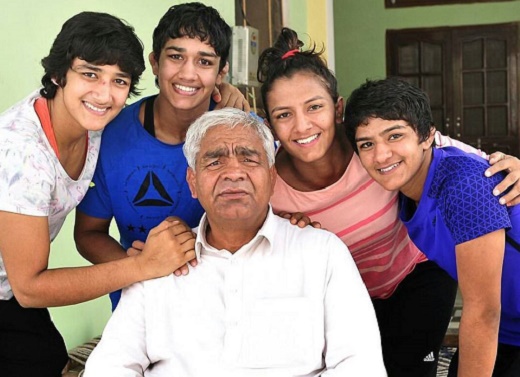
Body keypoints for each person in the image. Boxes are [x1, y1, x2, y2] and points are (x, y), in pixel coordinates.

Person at [257, 27, 520, 377]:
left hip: (419, 278)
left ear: (337, 109)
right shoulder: (268, 183)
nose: (302, 125)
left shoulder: (421, 161)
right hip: (349, 294)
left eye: (314, 107)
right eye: (284, 114)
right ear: (269, 123)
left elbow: (479, 168)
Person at [83, 108, 387, 376]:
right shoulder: (158, 263)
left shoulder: (322, 253)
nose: (233, 172)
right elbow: (109, 365)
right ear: (193, 182)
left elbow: (360, 365)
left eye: (248, 158)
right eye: (214, 162)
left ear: (272, 178)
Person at [0, 12, 200, 377]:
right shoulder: (23, 152)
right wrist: (139, 267)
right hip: (17, 287)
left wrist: (228, 95)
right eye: (90, 73)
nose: (104, 94)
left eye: (119, 81)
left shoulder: (94, 123)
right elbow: (29, 287)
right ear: (59, 74)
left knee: (47, 357)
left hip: (9, 290)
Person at [74, 2, 249, 310]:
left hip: (230, 305)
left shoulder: (246, 132)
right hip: (141, 311)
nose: (188, 73)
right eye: (175, 56)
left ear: (222, 72)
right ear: (155, 62)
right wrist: (142, 267)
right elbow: (88, 234)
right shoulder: (109, 136)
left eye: (205, 62)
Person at [345, 77, 520, 377]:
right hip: (508, 330)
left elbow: (482, 312)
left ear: (427, 136)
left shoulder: (463, 185)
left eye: (395, 136)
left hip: (497, 321)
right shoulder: (407, 194)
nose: (381, 155)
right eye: (367, 144)